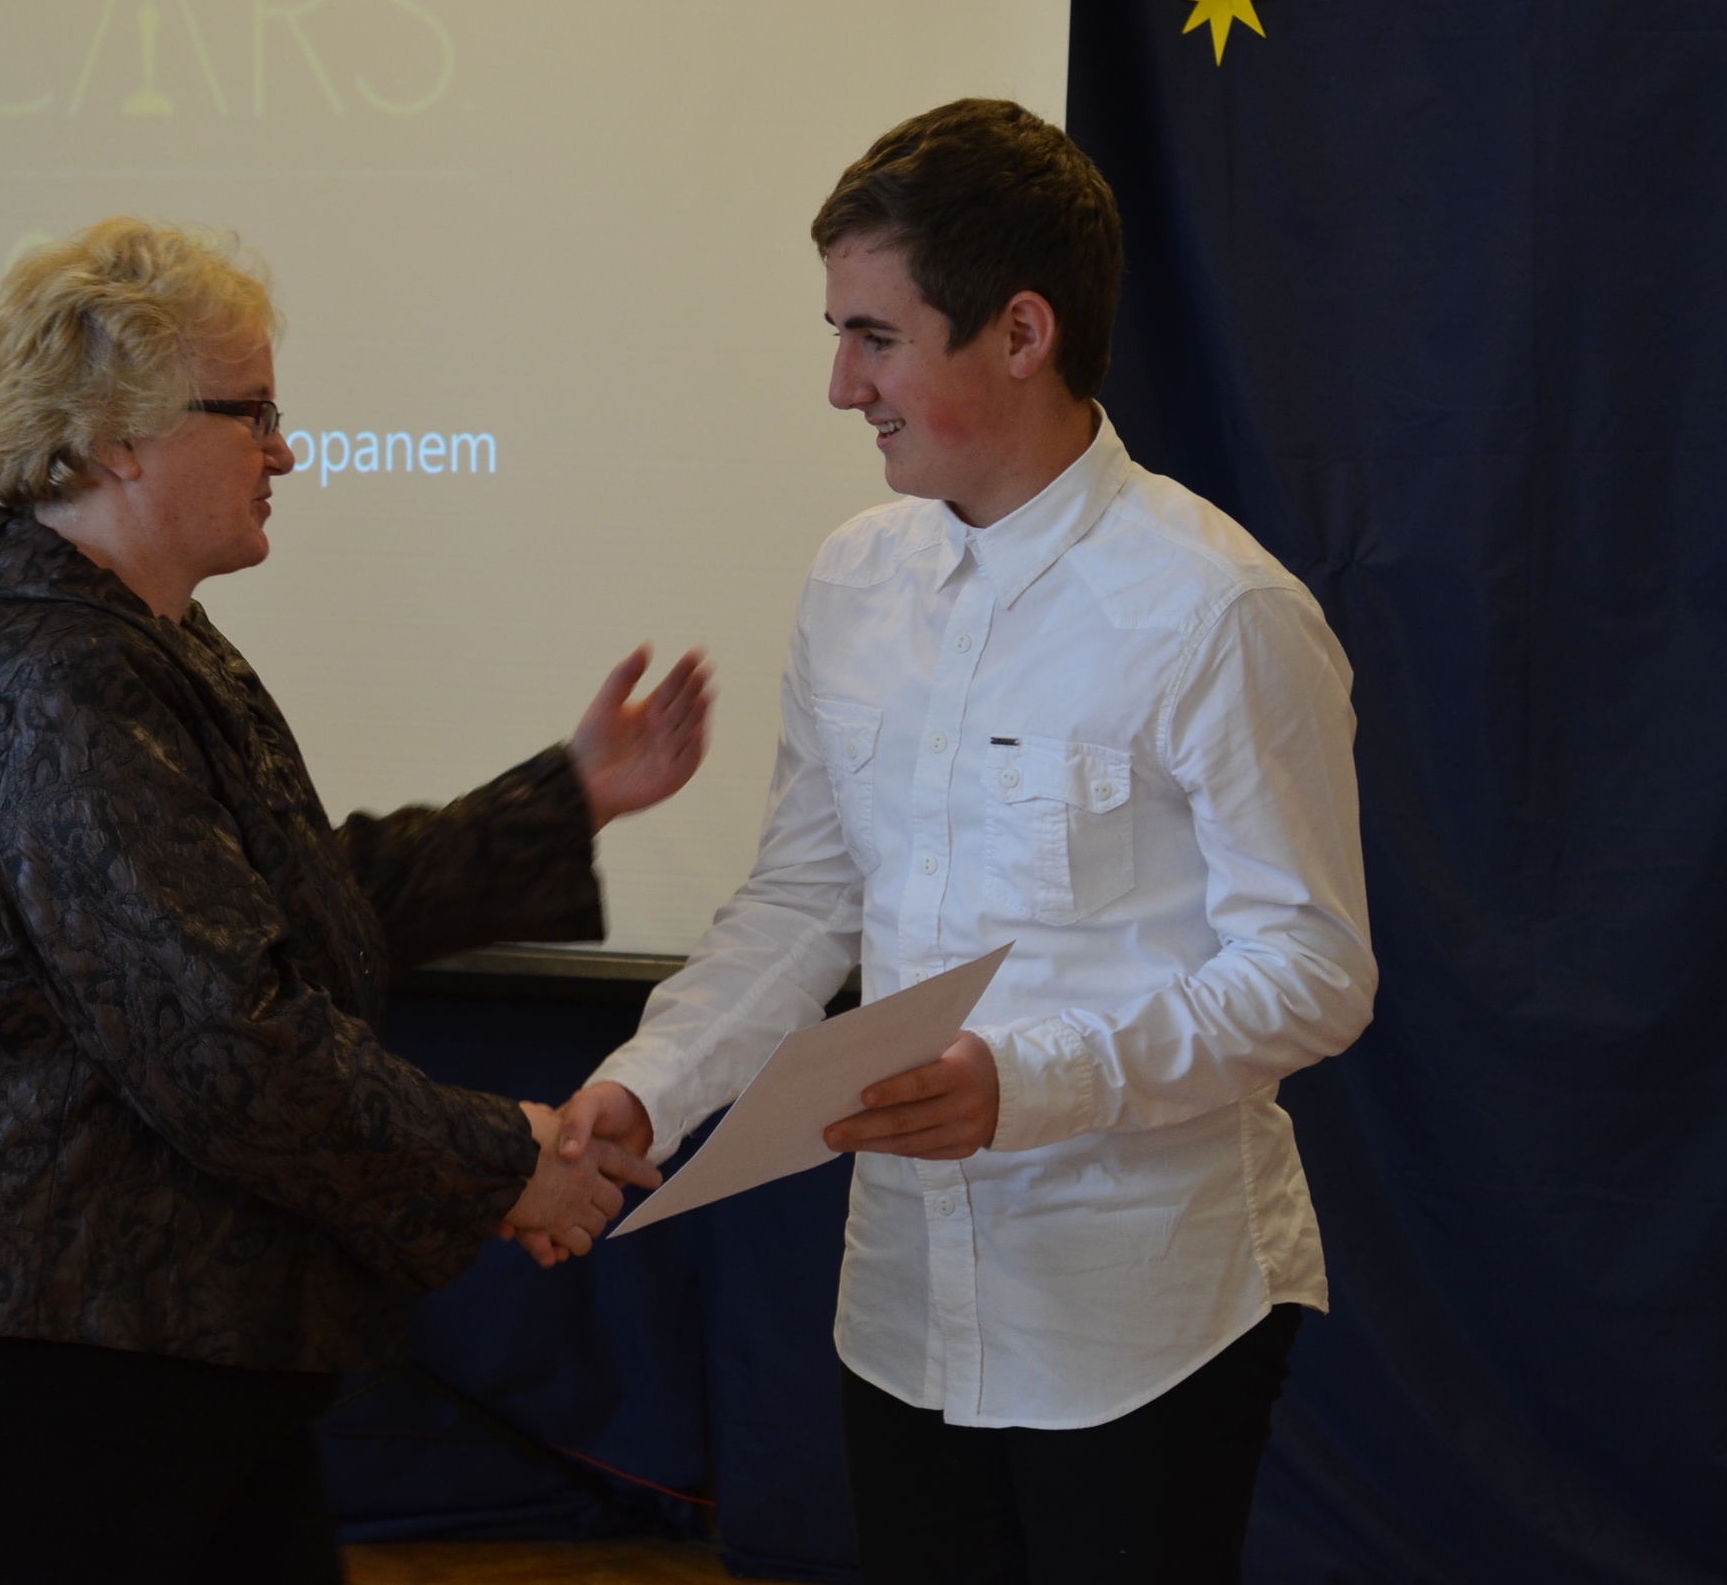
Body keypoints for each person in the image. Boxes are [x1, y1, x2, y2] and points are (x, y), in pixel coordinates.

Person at [0, 217, 703, 1583]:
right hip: (1, 1350)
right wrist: (509, 1157)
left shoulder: (134, 636)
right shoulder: (64, 680)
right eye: (251, 412)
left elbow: (283, 903)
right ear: (116, 439)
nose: (286, 450)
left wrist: (566, 799)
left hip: (109, 1336)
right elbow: (229, 1043)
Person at [545, 100, 1377, 1582]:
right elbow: (804, 906)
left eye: (875, 337)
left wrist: (1032, 1082)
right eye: (837, 335)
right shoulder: (855, 578)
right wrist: (644, 1090)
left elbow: (1314, 971)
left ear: (1022, 333)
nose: (839, 386)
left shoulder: (1219, 610)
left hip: (1144, 1315)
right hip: (906, 1306)